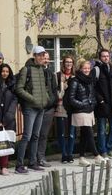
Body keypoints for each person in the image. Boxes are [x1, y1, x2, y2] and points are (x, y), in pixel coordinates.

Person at [15, 46, 52, 174]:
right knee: (27, 136)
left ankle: (32, 162)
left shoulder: (42, 70)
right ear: (35, 56)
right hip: (30, 108)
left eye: (44, 55)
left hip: (41, 108)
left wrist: (46, 99)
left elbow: (45, 88)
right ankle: (19, 165)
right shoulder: (26, 69)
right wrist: (33, 99)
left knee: (36, 136)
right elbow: (19, 89)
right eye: (40, 55)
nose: (43, 58)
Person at [68, 59, 106, 166]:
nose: (87, 70)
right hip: (80, 110)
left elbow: (92, 95)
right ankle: (96, 155)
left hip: (89, 109)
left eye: (88, 68)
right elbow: (71, 98)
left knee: (85, 134)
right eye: (84, 68)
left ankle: (81, 157)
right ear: (80, 69)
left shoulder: (90, 80)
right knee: (88, 131)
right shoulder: (75, 81)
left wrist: (92, 104)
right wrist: (83, 105)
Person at [0, 64, 18, 177]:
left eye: (7, 71)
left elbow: (14, 101)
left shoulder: (12, 85)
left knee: (6, 141)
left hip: (8, 119)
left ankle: (4, 166)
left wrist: (7, 118)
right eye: (3, 71)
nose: (5, 73)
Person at [95, 49, 112, 159]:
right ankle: (103, 151)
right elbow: (93, 87)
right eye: (103, 56)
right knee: (101, 130)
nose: (106, 58)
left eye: (107, 56)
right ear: (100, 57)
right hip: (102, 104)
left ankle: (109, 148)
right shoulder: (96, 70)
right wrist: (100, 100)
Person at [36, 51, 59, 168]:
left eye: (47, 58)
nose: (46, 60)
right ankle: (33, 158)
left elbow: (54, 89)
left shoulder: (51, 73)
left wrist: (54, 103)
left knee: (44, 135)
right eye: (44, 58)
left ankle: (41, 157)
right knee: (35, 134)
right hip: (37, 108)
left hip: (49, 108)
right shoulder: (34, 71)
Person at [55, 55, 76, 163]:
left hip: (72, 107)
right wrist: (64, 86)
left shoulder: (75, 76)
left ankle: (70, 154)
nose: (68, 64)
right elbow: (56, 92)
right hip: (61, 106)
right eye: (67, 62)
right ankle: (64, 154)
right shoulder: (58, 76)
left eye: (70, 62)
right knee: (62, 133)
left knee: (72, 133)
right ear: (63, 63)